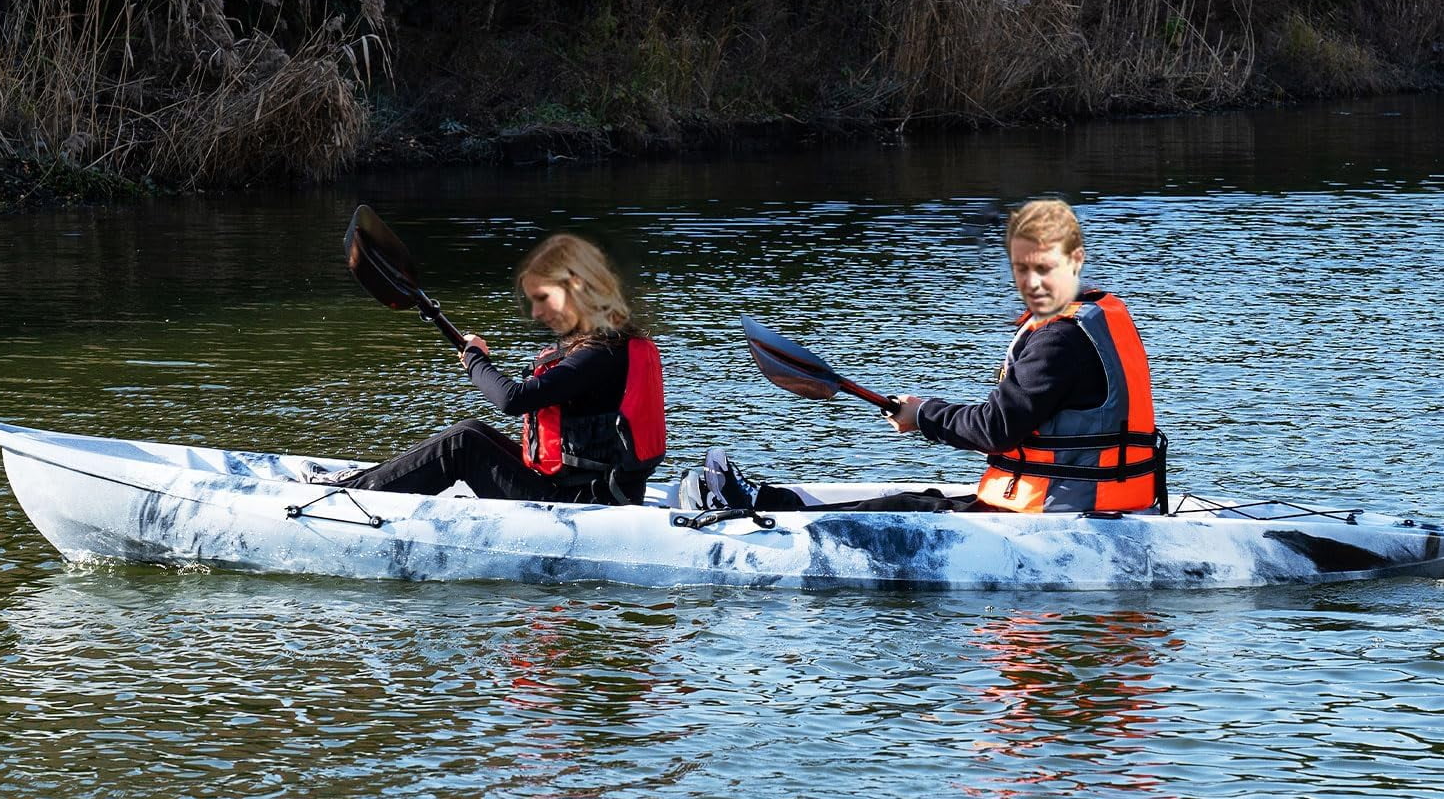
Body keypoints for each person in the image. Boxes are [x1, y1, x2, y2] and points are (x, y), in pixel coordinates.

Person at [683, 198, 1165, 515]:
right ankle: (768, 499)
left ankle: (757, 509)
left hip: (1065, 514)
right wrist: (925, 414)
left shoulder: (1058, 339)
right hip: (1097, 499)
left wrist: (923, 415)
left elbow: (996, 429)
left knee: (906, 508)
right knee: (924, 499)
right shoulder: (1098, 316)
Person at [334, 233, 666, 505]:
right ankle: (364, 482)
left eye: (543, 298)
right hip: (587, 488)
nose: (537, 313)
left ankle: (357, 498)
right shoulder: (612, 341)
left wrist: (475, 359)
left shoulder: (600, 354)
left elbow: (512, 399)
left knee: (462, 444)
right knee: (473, 429)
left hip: (584, 503)